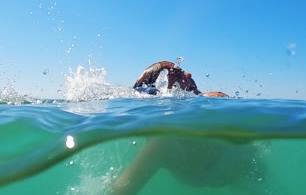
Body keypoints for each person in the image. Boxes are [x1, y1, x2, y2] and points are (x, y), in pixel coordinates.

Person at [109, 61, 265, 194]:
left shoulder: (214, 98)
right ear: (164, 90)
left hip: (234, 166)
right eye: (177, 74)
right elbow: (120, 190)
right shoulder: (162, 143)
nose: (189, 74)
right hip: (228, 167)